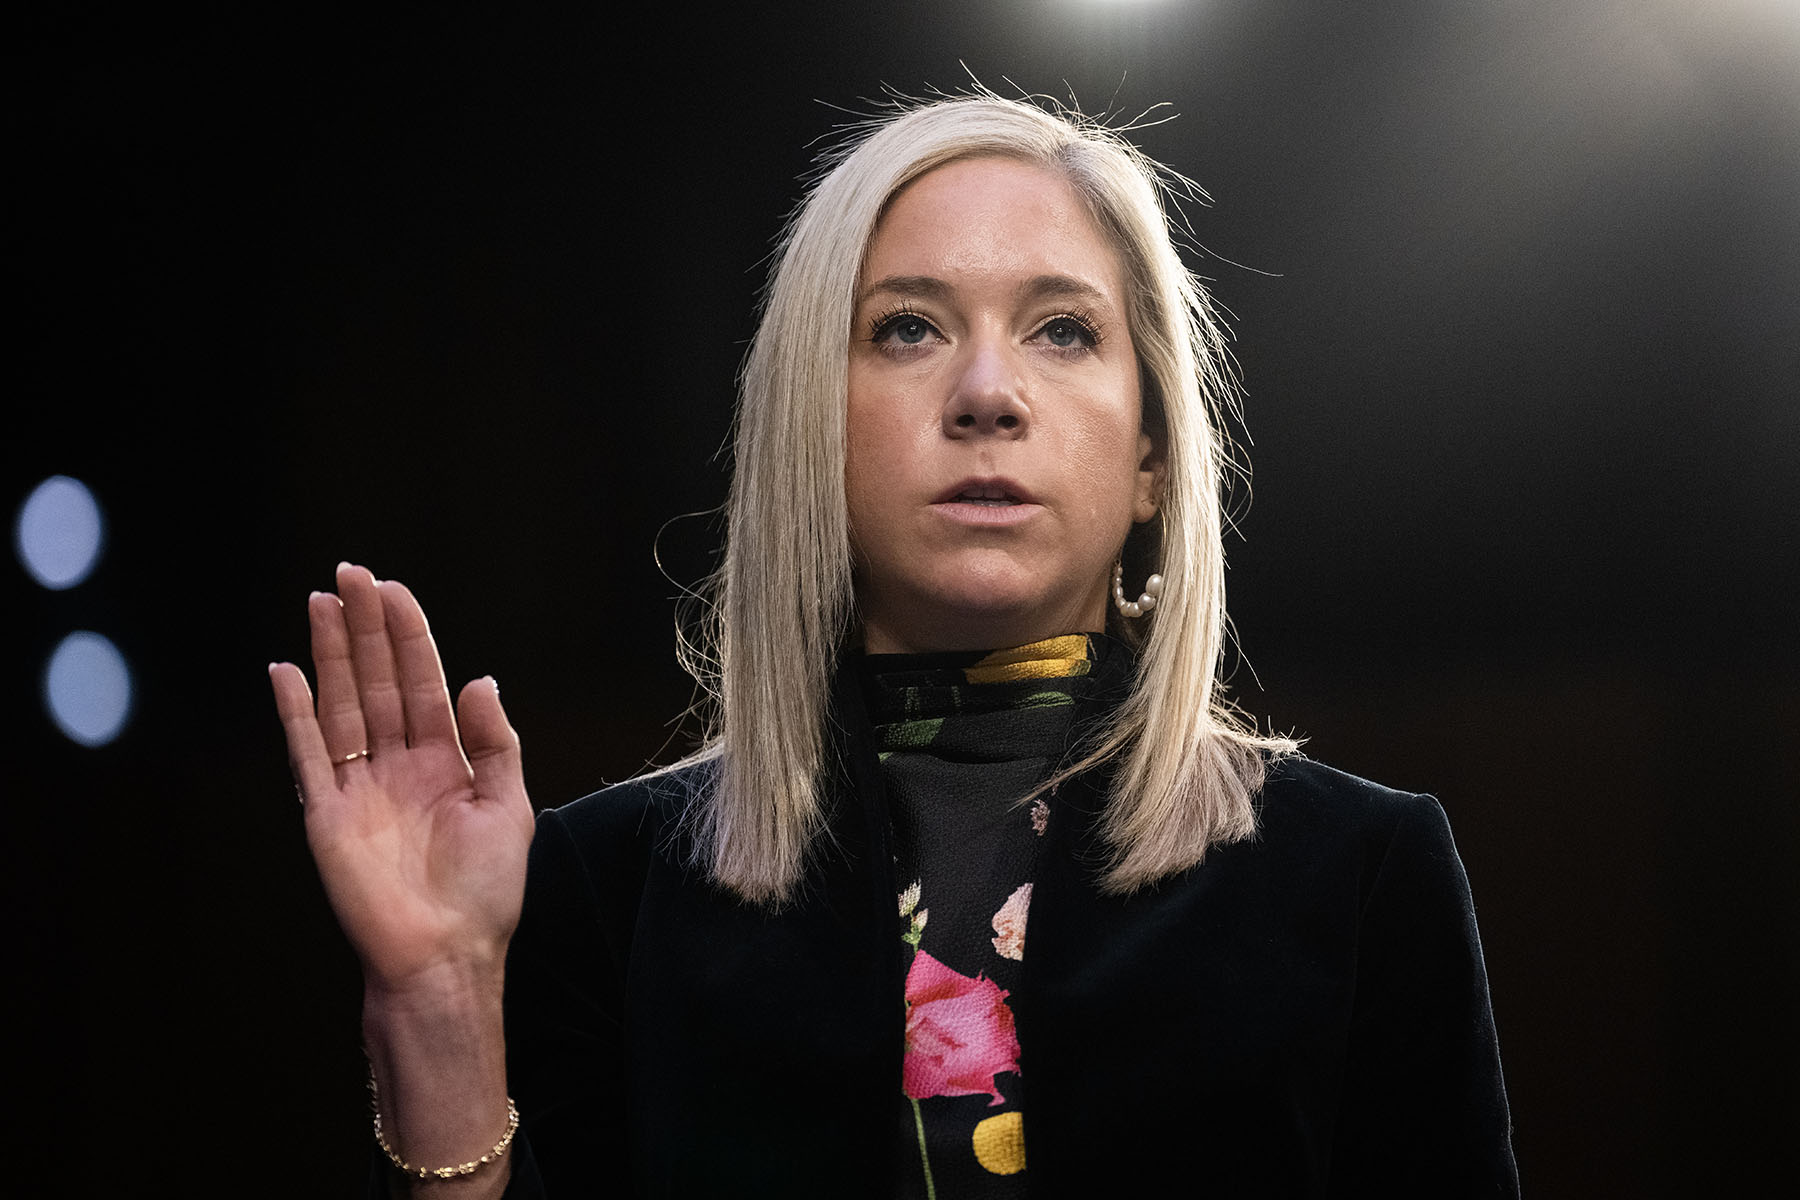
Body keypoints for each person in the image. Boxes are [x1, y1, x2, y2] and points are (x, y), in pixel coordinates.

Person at [270, 93, 1519, 1198]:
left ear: (1152, 458)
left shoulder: (1359, 877)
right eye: (909, 328)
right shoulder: (604, 890)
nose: (987, 391)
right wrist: (435, 998)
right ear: (813, 427)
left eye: (1065, 330)